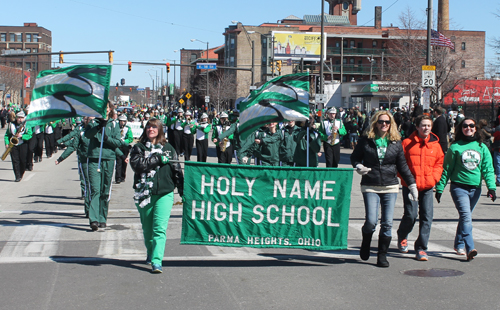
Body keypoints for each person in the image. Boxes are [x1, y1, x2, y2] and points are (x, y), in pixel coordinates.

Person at [350, 110, 417, 267]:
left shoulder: (396, 142)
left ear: (391, 124)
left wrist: (412, 184)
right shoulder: (366, 140)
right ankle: (366, 242)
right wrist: (358, 166)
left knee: (387, 223)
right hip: (370, 185)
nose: (384, 124)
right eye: (381, 122)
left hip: (390, 185)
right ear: (375, 123)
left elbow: (402, 166)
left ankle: (382, 255)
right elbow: (354, 157)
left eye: (387, 122)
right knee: (371, 221)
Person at [435, 117, 496, 261]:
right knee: (466, 217)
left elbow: (487, 169)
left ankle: (459, 244)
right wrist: (440, 188)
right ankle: (470, 247)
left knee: (465, 217)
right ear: (460, 129)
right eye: (465, 126)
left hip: (475, 189)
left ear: (476, 128)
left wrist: (491, 188)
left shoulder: (482, 147)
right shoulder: (455, 147)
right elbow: (447, 169)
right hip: (458, 188)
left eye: (471, 126)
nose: (468, 128)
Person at [130, 118, 184, 273]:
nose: (151, 129)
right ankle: (151, 251)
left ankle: (157, 260)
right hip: (145, 194)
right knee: (148, 230)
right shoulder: (138, 148)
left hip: (165, 194)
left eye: (154, 127)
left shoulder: (168, 148)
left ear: (160, 129)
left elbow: (177, 170)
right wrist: (157, 159)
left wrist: (182, 190)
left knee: (159, 229)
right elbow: (138, 165)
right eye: (148, 127)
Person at [396, 115, 444, 261]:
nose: (426, 128)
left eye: (428, 126)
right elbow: (400, 164)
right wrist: (407, 180)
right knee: (411, 215)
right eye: (423, 125)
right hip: (410, 186)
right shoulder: (406, 143)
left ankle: (422, 248)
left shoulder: (436, 145)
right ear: (417, 127)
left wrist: (434, 179)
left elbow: (439, 164)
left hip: (428, 186)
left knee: (427, 217)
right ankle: (402, 235)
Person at [85, 103, 129, 231]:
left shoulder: (114, 124)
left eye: (107, 108)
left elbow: (117, 142)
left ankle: (102, 217)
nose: (105, 110)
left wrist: (107, 139)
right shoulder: (93, 123)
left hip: (109, 159)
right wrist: (99, 126)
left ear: (110, 110)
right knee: (95, 190)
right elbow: (88, 135)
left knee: (105, 191)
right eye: (103, 108)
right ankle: (93, 219)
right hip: (94, 159)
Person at [55, 116, 92, 216]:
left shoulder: (100, 130)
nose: (86, 120)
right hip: (84, 160)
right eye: (85, 119)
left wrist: (122, 155)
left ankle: (97, 209)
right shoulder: (80, 130)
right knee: (87, 183)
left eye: (88, 119)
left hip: (97, 161)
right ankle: (89, 210)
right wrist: (61, 157)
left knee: (97, 188)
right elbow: (73, 143)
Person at [4, 111, 32, 182]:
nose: (20, 119)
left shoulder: (27, 125)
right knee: (15, 161)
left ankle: (21, 173)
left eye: (21, 118)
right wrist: (7, 143)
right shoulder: (11, 125)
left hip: (23, 144)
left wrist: (22, 136)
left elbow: (30, 135)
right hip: (13, 145)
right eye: (18, 118)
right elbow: (7, 135)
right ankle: (17, 176)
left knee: (23, 161)